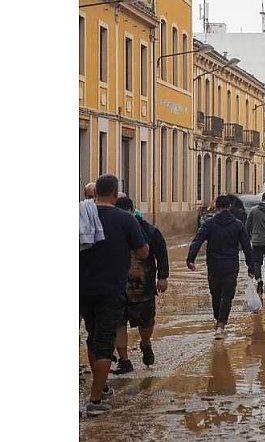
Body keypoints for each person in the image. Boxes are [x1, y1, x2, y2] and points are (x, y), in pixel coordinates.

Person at [80, 174, 149, 416]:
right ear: (115, 193)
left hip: (83, 288)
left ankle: (102, 387)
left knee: (92, 336)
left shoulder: (81, 214)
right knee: (104, 345)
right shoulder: (125, 219)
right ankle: (95, 401)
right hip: (111, 290)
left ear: (95, 192)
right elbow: (142, 252)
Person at [111, 197, 169, 374]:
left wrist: (163, 276)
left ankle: (145, 342)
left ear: (131, 211)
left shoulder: (149, 231)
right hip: (116, 289)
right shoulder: (110, 229)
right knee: (118, 324)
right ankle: (124, 360)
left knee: (146, 324)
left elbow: (161, 252)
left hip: (142, 290)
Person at [187, 195, 257, 339]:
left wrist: (191, 259)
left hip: (214, 266)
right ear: (229, 207)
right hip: (231, 266)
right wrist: (251, 268)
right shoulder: (237, 225)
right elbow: (247, 247)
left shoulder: (209, 224)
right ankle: (221, 324)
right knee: (227, 296)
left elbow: (197, 240)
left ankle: (218, 321)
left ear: (216, 207)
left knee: (216, 294)